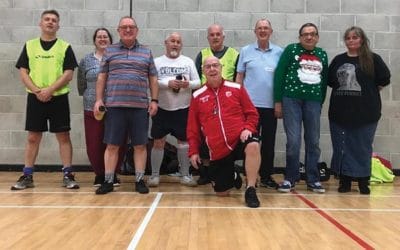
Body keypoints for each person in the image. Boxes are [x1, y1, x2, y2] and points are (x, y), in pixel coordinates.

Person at [11, 9, 79, 190]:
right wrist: (37, 91)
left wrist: (49, 90)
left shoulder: (64, 47)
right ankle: (27, 175)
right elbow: (23, 72)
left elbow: (69, 74)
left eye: (54, 20)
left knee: (63, 136)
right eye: (47, 19)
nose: (50, 22)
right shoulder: (30, 45)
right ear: (40, 23)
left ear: (58, 25)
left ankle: (67, 174)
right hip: (35, 98)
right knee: (33, 137)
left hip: (58, 97)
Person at [93, 16, 159, 195]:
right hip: (114, 106)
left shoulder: (146, 52)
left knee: (140, 145)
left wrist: (154, 100)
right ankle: (108, 181)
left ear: (137, 30)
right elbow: (102, 77)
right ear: (118, 31)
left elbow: (153, 77)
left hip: (139, 107)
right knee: (112, 145)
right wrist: (99, 100)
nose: (128, 30)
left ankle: (139, 180)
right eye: (124, 27)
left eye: (131, 27)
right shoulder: (109, 51)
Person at [187, 56, 261, 208]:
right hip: (218, 149)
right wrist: (193, 151)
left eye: (215, 65)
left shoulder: (236, 88)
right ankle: (233, 175)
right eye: (208, 67)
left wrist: (248, 128)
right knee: (222, 193)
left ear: (221, 68)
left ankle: (251, 189)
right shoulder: (197, 96)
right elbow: (192, 127)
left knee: (253, 145)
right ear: (203, 71)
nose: (212, 69)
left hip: (240, 138)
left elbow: (252, 113)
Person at [327, 26, 391, 195]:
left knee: (362, 146)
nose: (351, 41)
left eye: (355, 37)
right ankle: (345, 180)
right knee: (342, 146)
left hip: (366, 112)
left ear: (362, 39)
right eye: (348, 38)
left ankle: (363, 180)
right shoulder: (338, 60)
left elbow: (384, 79)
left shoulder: (373, 59)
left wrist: (369, 92)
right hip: (340, 113)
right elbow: (331, 81)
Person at [274, 23, 328, 193]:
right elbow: (279, 74)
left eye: (312, 34)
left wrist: (320, 101)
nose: (309, 37)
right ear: (300, 37)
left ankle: (313, 179)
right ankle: (290, 178)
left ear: (317, 37)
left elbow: (324, 80)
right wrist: (277, 101)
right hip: (291, 100)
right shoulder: (291, 50)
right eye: (305, 34)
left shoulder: (322, 54)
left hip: (313, 101)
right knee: (294, 140)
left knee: (313, 141)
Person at [148, 32, 201, 187]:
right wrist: (167, 83)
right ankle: (154, 175)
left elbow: (197, 82)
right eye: (172, 41)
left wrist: (187, 84)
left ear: (181, 45)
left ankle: (185, 174)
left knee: (183, 142)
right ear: (166, 43)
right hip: (162, 108)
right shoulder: (156, 62)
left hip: (183, 109)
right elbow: (152, 82)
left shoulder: (188, 62)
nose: (175, 44)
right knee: (158, 142)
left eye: (178, 42)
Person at [236, 18, 283, 189]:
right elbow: (239, 77)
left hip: (271, 106)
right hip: (250, 107)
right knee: (250, 142)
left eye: (266, 28)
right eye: (259, 28)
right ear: (255, 32)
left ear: (271, 31)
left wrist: (279, 103)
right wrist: (237, 102)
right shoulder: (245, 51)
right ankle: (250, 176)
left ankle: (266, 176)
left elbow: (281, 80)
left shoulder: (279, 52)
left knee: (269, 143)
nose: (263, 31)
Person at [77, 28, 126, 187]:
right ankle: (99, 174)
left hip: (115, 105)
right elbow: (81, 84)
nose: (102, 39)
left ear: (111, 40)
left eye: (105, 37)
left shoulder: (117, 58)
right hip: (92, 107)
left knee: (116, 141)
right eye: (99, 37)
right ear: (95, 40)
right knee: (94, 141)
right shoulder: (86, 60)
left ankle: (113, 173)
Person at [194, 24, 239, 185]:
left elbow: (238, 79)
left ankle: (228, 171)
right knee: (205, 137)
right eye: (212, 34)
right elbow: (196, 78)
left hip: (227, 103)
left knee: (227, 138)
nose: (215, 37)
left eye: (218, 34)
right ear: (208, 37)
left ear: (223, 36)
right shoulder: (202, 54)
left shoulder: (234, 54)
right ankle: (206, 172)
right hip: (206, 101)